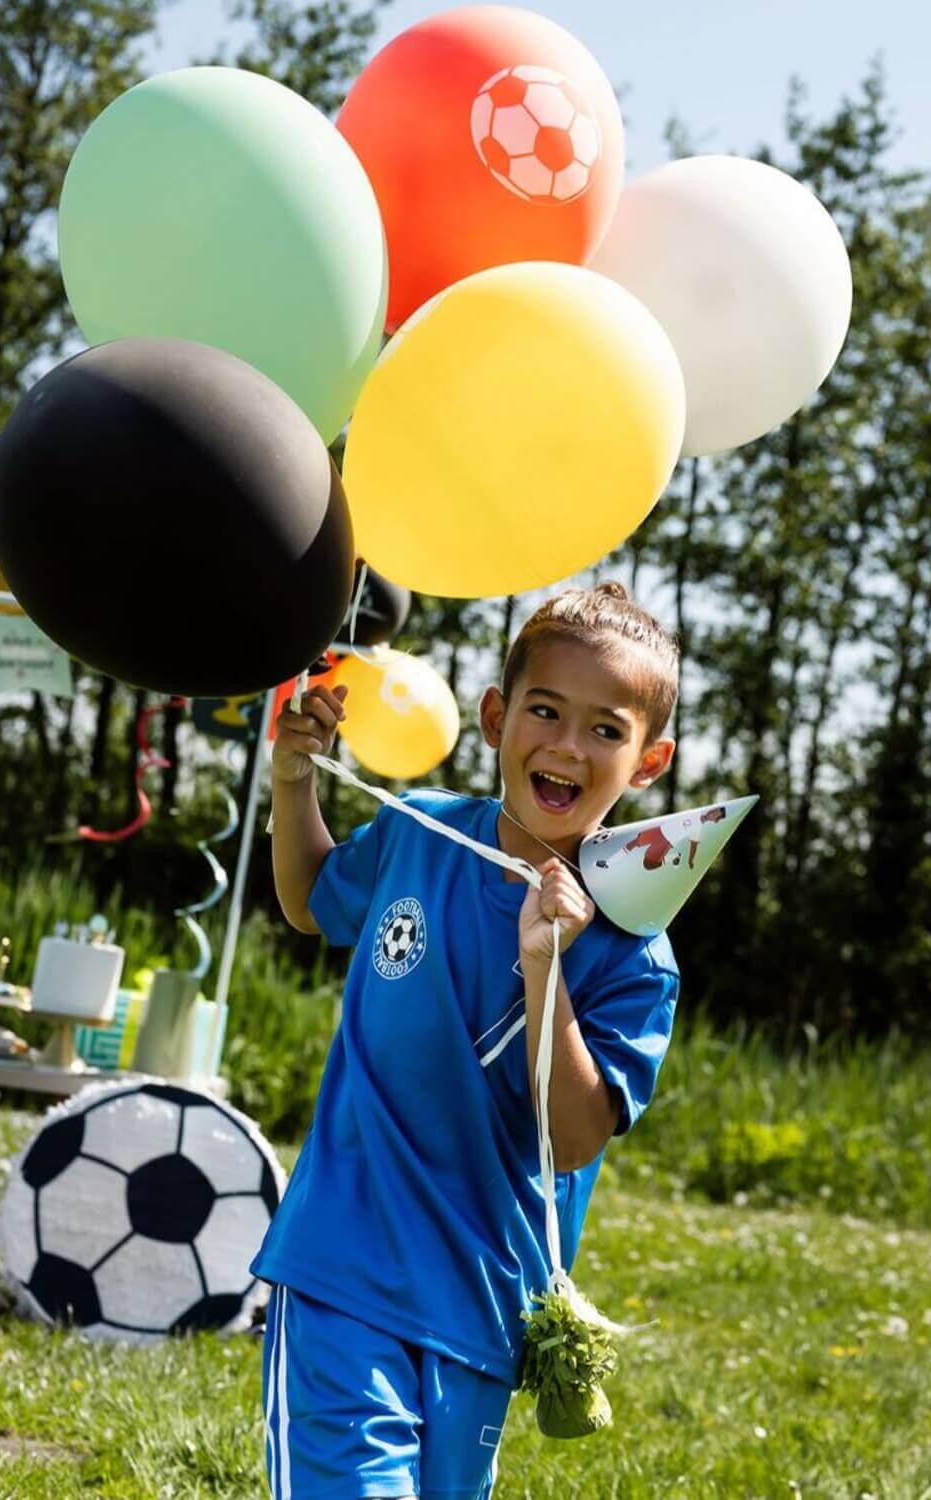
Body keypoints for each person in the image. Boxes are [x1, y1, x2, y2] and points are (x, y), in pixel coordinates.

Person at [253, 582, 681, 1500]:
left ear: (649, 762)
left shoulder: (636, 946)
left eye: (606, 730)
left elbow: (574, 1138)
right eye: (545, 710)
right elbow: (310, 898)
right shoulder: (419, 833)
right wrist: (294, 779)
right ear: (496, 716)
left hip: (487, 1302)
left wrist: (548, 966)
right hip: (344, 1264)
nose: (567, 745)